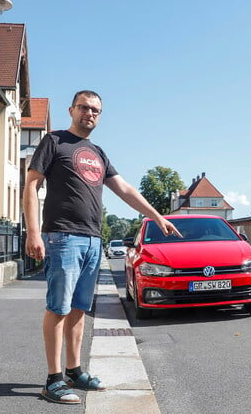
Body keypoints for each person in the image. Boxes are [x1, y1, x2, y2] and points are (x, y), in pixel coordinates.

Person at [23, 90, 181, 404]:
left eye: (95, 110)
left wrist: (157, 216)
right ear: (72, 109)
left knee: (79, 308)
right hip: (63, 237)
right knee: (58, 307)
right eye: (84, 107)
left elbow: (123, 188)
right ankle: (53, 380)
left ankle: (74, 371)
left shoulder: (97, 152)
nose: (90, 114)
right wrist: (33, 232)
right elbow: (31, 184)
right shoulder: (54, 142)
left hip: (93, 240)